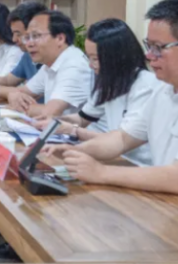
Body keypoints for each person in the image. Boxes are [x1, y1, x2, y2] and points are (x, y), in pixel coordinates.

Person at [43, 0, 178, 228]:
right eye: (149, 46)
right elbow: (122, 139)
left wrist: (100, 172)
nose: (149, 56)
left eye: (159, 48)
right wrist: (74, 151)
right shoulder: (166, 89)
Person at [33, 18, 157, 167]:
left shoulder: (145, 87)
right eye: (89, 58)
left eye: (95, 59)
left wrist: (73, 132)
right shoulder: (109, 82)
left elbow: (121, 140)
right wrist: (56, 121)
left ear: (116, 57)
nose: (91, 66)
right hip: (117, 159)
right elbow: (82, 118)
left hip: (138, 165)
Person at [6, 10, 92, 118]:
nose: (29, 44)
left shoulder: (74, 66)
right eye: (27, 37)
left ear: (60, 39)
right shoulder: (50, 64)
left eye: (36, 36)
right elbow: (21, 92)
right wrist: (13, 95)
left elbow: (50, 113)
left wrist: (18, 105)